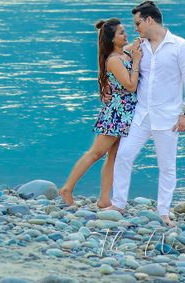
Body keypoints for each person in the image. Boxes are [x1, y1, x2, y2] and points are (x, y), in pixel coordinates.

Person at [109, 0, 185, 227]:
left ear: (149, 20)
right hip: (141, 115)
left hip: (168, 117)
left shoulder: (181, 47)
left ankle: (164, 211)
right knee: (124, 155)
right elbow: (115, 58)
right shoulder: (139, 46)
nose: (135, 28)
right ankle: (118, 203)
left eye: (137, 23)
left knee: (167, 166)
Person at [59, 18, 141, 207]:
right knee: (95, 153)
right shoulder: (114, 60)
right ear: (112, 39)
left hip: (126, 113)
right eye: (121, 32)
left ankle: (104, 199)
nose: (126, 34)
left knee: (114, 156)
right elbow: (130, 85)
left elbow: (136, 44)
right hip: (116, 114)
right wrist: (136, 61)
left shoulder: (124, 53)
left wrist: (144, 37)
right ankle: (67, 188)